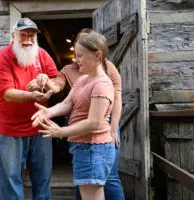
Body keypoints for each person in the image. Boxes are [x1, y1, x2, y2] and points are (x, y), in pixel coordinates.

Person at [28, 28, 125, 200]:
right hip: (83, 146)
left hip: (93, 148)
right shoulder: (83, 79)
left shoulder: (102, 84)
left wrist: (61, 132)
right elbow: (67, 103)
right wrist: (48, 111)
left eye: (80, 55)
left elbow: (93, 123)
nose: (76, 59)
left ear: (97, 56)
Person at [0, 17, 58, 200]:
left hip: (40, 124)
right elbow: (7, 93)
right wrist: (32, 95)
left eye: (32, 36)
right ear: (14, 35)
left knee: (43, 177)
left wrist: (47, 81)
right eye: (23, 35)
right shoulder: (3, 57)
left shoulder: (42, 54)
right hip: (10, 127)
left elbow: (58, 83)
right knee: (12, 178)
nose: (28, 40)